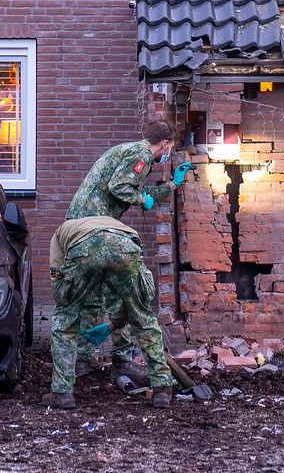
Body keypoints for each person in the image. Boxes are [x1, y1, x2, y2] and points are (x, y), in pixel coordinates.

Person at [65, 120, 191, 379]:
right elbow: (121, 188)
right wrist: (140, 199)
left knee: (91, 292)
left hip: (80, 227)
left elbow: (136, 188)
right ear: (165, 144)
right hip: (98, 227)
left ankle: (83, 361)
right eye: (170, 146)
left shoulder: (129, 151)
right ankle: (122, 360)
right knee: (120, 290)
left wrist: (171, 186)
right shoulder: (141, 154)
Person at [43, 215, 174, 409]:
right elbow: (135, 301)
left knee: (65, 319)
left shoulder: (59, 235)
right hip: (126, 247)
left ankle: (62, 392)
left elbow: (57, 275)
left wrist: (68, 300)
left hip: (84, 250)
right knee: (143, 316)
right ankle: (162, 388)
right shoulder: (121, 227)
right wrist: (116, 323)